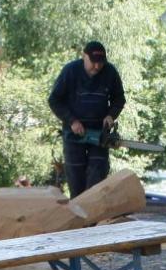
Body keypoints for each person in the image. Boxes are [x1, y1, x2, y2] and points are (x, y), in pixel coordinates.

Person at [48, 40, 126, 198]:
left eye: (100, 62)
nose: (97, 66)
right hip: (74, 133)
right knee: (75, 177)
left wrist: (111, 115)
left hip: (99, 134)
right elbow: (54, 100)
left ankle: (94, 209)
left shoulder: (110, 72)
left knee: (97, 177)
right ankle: (78, 209)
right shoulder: (70, 71)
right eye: (93, 62)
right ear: (84, 56)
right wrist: (72, 121)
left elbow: (119, 98)